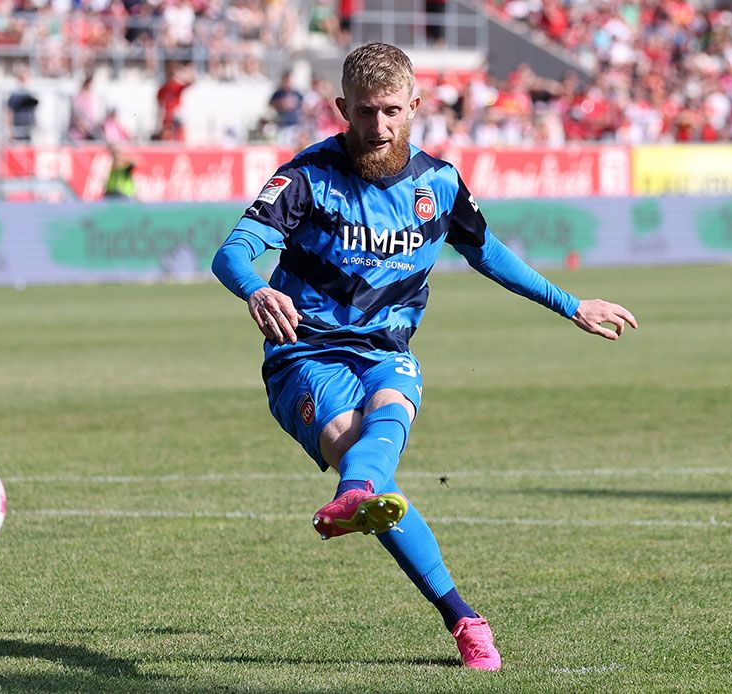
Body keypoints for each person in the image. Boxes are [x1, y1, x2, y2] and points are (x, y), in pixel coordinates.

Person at [210, 43, 637, 671]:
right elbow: (231, 253)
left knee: (383, 423)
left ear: (415, 106)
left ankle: (456, 611)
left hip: (388, 348)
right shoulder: (305, 178)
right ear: (341, 109)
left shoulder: (438, 182)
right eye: (363, 112)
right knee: (344, 436)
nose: (377, 127)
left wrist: (570, 304)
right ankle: (428, 573)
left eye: (390, 111)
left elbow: (487, 252)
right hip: (307, 351)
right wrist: (256, 287)